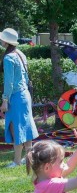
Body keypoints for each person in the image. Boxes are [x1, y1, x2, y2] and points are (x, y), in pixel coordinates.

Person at [0, 28, 39, 167]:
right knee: (25, 127)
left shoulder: (9, 57)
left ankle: (17, 161)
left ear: (5, 41)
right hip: (24, 94)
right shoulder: (20, 53)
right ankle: (30, 159)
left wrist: (5, 101)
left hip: (16, 97)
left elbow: (9, 82)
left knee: (15, 128)